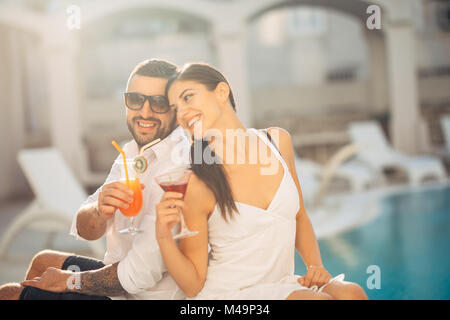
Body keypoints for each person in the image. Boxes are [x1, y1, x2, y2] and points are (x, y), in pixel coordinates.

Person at [155, 62, 369, 300]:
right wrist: (164, 237)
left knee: (352, 294)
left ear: (222, 92)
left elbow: (299, 216)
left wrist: (314, 267)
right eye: (175, 108)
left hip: (280, 284)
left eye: (188, 98)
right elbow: (193, 285)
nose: (182, 113)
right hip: (229, 295)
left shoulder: (277, 142)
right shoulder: (199, 182)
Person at [0, 59, 190, 300]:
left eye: (159, 103)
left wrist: (68, 281)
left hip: (142, 293)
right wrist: (99, 212)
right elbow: (84, 228)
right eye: (135, 100)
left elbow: (137, 276)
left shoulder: (178, 169)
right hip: (124, 279)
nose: (144, 112)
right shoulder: (132, 152)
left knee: (8, 294)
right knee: (43, 261)